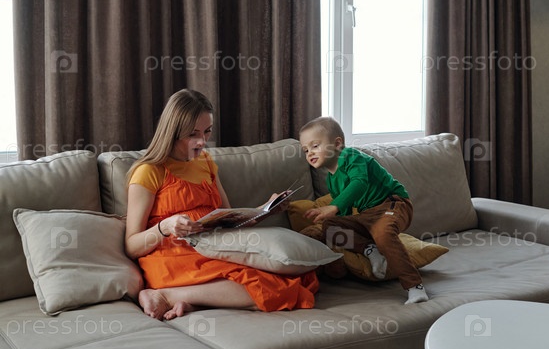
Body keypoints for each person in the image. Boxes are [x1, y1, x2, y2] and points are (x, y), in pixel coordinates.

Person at [125, 89, 319, 320]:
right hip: (171, 257)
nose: (202, 141)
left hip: (213, 248)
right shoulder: (149, 171)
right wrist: (165, 227)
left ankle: (192, 301)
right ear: (173, 131)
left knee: (302, 279)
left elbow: (228, 219)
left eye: (207, 131)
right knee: (274, 290)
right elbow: (132, 246)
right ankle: (165, 295)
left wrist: (266, 209)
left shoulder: (205, 162)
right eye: (193, 134)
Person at [298, 116, 428, 304]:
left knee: (383, 233)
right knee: (330, 227)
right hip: (367, 215)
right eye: (305, 150)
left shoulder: (351, 156)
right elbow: (345, 212)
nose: (310, 152)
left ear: (337, 144)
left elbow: (359, 182)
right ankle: (369, 249)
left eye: (315, 146)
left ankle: (414, 286)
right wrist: (337, 219)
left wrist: (333, 206)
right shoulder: (331, 180)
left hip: (392, 204)